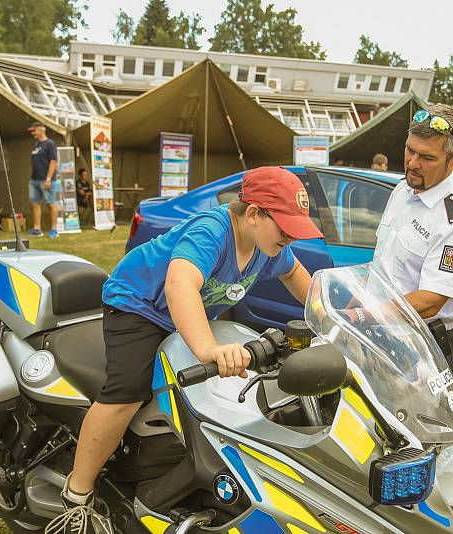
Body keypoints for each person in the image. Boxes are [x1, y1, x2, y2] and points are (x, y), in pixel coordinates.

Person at [48, 167, 323, 533]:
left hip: (186, 313)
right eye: (285, 226)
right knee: (126, 393)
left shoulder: (268, 246)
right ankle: (76, 495)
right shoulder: (212, 231)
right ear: (254, 213)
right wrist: (208, 348)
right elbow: (180, 284)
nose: (290, 237)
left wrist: (334, 322)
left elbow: (299, 279)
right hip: (139, 306)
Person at [368, 104, 453, 373]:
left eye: (427, 157)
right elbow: (384, 264)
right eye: (410, 150)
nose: (412, 163)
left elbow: (431, 300)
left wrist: (364, 315)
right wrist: (361, 301)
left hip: (424, 350)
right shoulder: (403, 189)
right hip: (381, 333)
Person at [27, 121, 59, 238]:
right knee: (34, 203)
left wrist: (48, 179)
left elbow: (53, 161)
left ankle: (54, 230)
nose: (33, 133)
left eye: (34, 131)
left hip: (46, 180)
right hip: (34, 180)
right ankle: (37, 229)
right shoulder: (36, 145)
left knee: (51, 204)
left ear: (41, 130)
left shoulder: (50, 144)